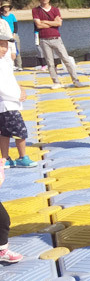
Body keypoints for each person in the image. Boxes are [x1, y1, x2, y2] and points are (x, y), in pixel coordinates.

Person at [0, 19, 37, 169]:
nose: (4, 49)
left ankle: (5, 158)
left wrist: (21, 89)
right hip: (8, 104)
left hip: (8, 104)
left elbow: (11, 79)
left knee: (5, 132)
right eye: (1, 45)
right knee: (20, 131)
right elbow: (2, 87)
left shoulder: (4, 62)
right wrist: (16, 95)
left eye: (5, 46)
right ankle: (22, 156)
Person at [32, 0, 81, 88]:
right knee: (50, 62)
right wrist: (52, 23)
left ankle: (75, 80)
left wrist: (45, 22)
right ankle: (56, 82)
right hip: (44, 39)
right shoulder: (35, 10)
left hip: (56, 38)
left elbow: (59, 23)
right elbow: (38, 25)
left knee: (66, 59)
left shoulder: (55, 10)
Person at [0, 0, 22, 71]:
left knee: (16, 50)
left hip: (13, 35)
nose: (6, 8)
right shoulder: (1, 17)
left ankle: (19, 65)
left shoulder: (12, 16)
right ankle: (11, 65)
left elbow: (16, 26)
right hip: (4, 36)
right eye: (5, 7)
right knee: (6, 51)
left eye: (8, 7)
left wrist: (14, 34)